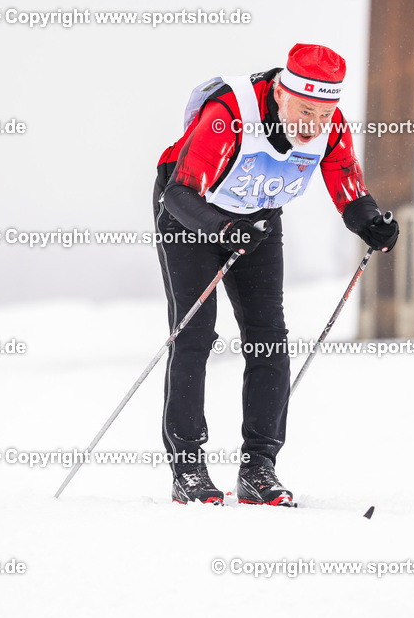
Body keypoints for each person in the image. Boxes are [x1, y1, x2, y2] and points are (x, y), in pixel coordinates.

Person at [152, 43, 398, 505]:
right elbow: (179, 195)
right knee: (195, 333)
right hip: (190, 212)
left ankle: (258, 468)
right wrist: (223, 228)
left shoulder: (330, 127)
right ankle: (186, 468)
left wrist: (371, 222)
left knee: (269, 336)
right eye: (305, 111)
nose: (314, 125)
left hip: (257, 215)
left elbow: (347, 183)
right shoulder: (230, 114)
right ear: (282, 95)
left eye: (324, 115)